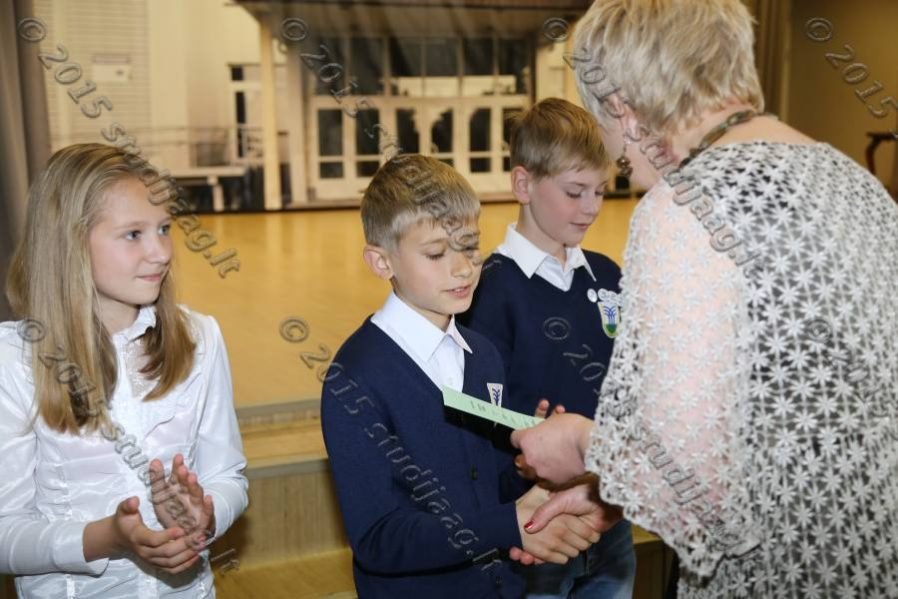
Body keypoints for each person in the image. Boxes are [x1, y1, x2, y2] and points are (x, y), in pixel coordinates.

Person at [510, 0, 898, 597]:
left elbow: (695, 489)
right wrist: (612, 489)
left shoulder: (686, 207)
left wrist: (583, 445)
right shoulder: (857, 184)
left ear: (623, 108)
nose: (618, 158)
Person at [320, 154, 609, 598]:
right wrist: (507, 524)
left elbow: (488, 486)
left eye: (470, 247)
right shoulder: (356, 378)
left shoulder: (483, 356)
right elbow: (379, 540)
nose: (463, 267)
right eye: (437, 253)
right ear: (381, 262)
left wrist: (529, 469)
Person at [0, 143, 248, 598]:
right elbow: (5, 533)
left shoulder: (200, 338)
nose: (161, 252)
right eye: (133, 234)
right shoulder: (13, 360)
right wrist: (106, 538)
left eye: (164, 228)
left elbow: (229, 475)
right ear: (68, 243)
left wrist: (207, 515)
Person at [460, 98, 635, 599]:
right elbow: (474, 409)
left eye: (600, 191)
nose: (592, 207)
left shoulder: (608, 276)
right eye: (575, 192)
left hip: (609, 511)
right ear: (523, 185)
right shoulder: (486, 290)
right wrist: (520, 444)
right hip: (534, 521)